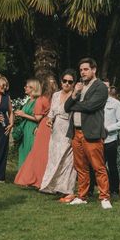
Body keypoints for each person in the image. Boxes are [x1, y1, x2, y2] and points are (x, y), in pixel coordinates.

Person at [64, 57, 112, 209]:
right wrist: (74, 94)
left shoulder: (101, 87)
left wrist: (74, 104)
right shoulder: (78, 87)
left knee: (98, 167)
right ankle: (82, 196)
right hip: (76, 132)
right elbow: (66, 107)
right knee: (81, 167)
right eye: (81, 70)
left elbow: (90, 106)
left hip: (91, 133)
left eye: (86, 69)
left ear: (94, 69)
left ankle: (104, 197)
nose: (83, 72)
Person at [40, 70, 77, 202]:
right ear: (61, 81)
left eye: (70, 82)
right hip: (55, 131)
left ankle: (68, 190)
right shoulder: (55, 95)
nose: (67, 84)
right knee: (54, 159)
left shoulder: (75, 96)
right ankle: (52, 186)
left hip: (68, 129)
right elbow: (51, 112)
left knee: (68, 161)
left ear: (74, 84)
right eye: (64, 81)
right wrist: (49, 119)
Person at [14, 76, 56, 187]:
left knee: (38, 153)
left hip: (38, 127)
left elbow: (38, 117)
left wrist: (23, 115)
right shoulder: (36, 100)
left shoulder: (47, 99)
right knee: (31, 152)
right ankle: (28, 176)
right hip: (31, 127)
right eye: (50, 84)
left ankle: (37, 178)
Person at [102, 79, 120, 198]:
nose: (104, 89)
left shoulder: (115, 103)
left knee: (112, 165)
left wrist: (107, 129)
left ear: (109, 89)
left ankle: (115, 190)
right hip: (96, 139)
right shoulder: (94, 102)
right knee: (98, 166)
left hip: (110, 139)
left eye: (107, 87)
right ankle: (102, 189)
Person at [13, 79, 41, 167]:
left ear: (33, 88)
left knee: (30, 151)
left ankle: (30, 176)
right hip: (24, 129)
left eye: (27, 86)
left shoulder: (37, 101)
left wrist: (23, 114)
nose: (25, 88)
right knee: (23, 150)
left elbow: (38, 118)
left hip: (32, 129)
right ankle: (22, 176)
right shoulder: (29, 101)